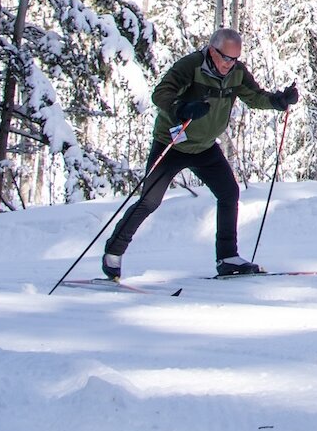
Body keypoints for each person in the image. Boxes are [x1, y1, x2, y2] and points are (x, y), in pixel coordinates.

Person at [102, 27, 298, 280]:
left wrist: (279, 101)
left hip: (204, 146)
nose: (230, 64)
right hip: (172, 144)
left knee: (229, 192)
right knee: (149, 201)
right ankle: (113, 253)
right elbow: (161, 94)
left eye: (235, 59)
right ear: (212, 50)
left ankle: (227, 258)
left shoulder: (236, 72)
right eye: (226, 57)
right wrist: (181, 108)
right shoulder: (191, 66)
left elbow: (254, 96)